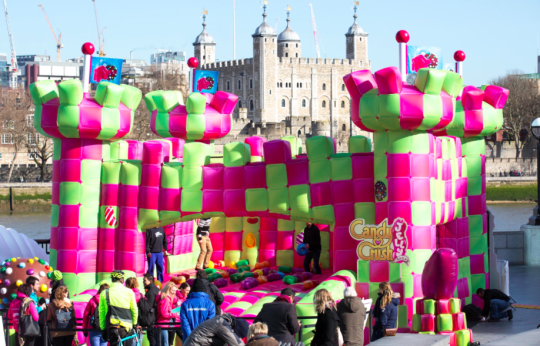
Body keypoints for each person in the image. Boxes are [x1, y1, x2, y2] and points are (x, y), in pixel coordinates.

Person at [98, 270, 138, 346]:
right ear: (122, 280)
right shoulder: (129, 292)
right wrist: (135, 324)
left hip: (112, 328)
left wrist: (103, 328)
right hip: (127, 329)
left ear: (112, 279)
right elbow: (134, 310)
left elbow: (101, 312)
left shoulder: (104, 293)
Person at [183, 313, 249, 346]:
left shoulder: (225, 323)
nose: (237, 337)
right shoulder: (222, 324)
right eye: (238, 335)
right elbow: (236, 343)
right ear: (235, 330)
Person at [143, 273, 161, 346]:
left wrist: (147, 321)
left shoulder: (150, 292)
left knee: (152, 339)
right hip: (157, 318)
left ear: (150, 281)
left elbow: (149, 308)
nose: (143, 282)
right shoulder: (156, 289)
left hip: (151, 320)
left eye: (145, 280)